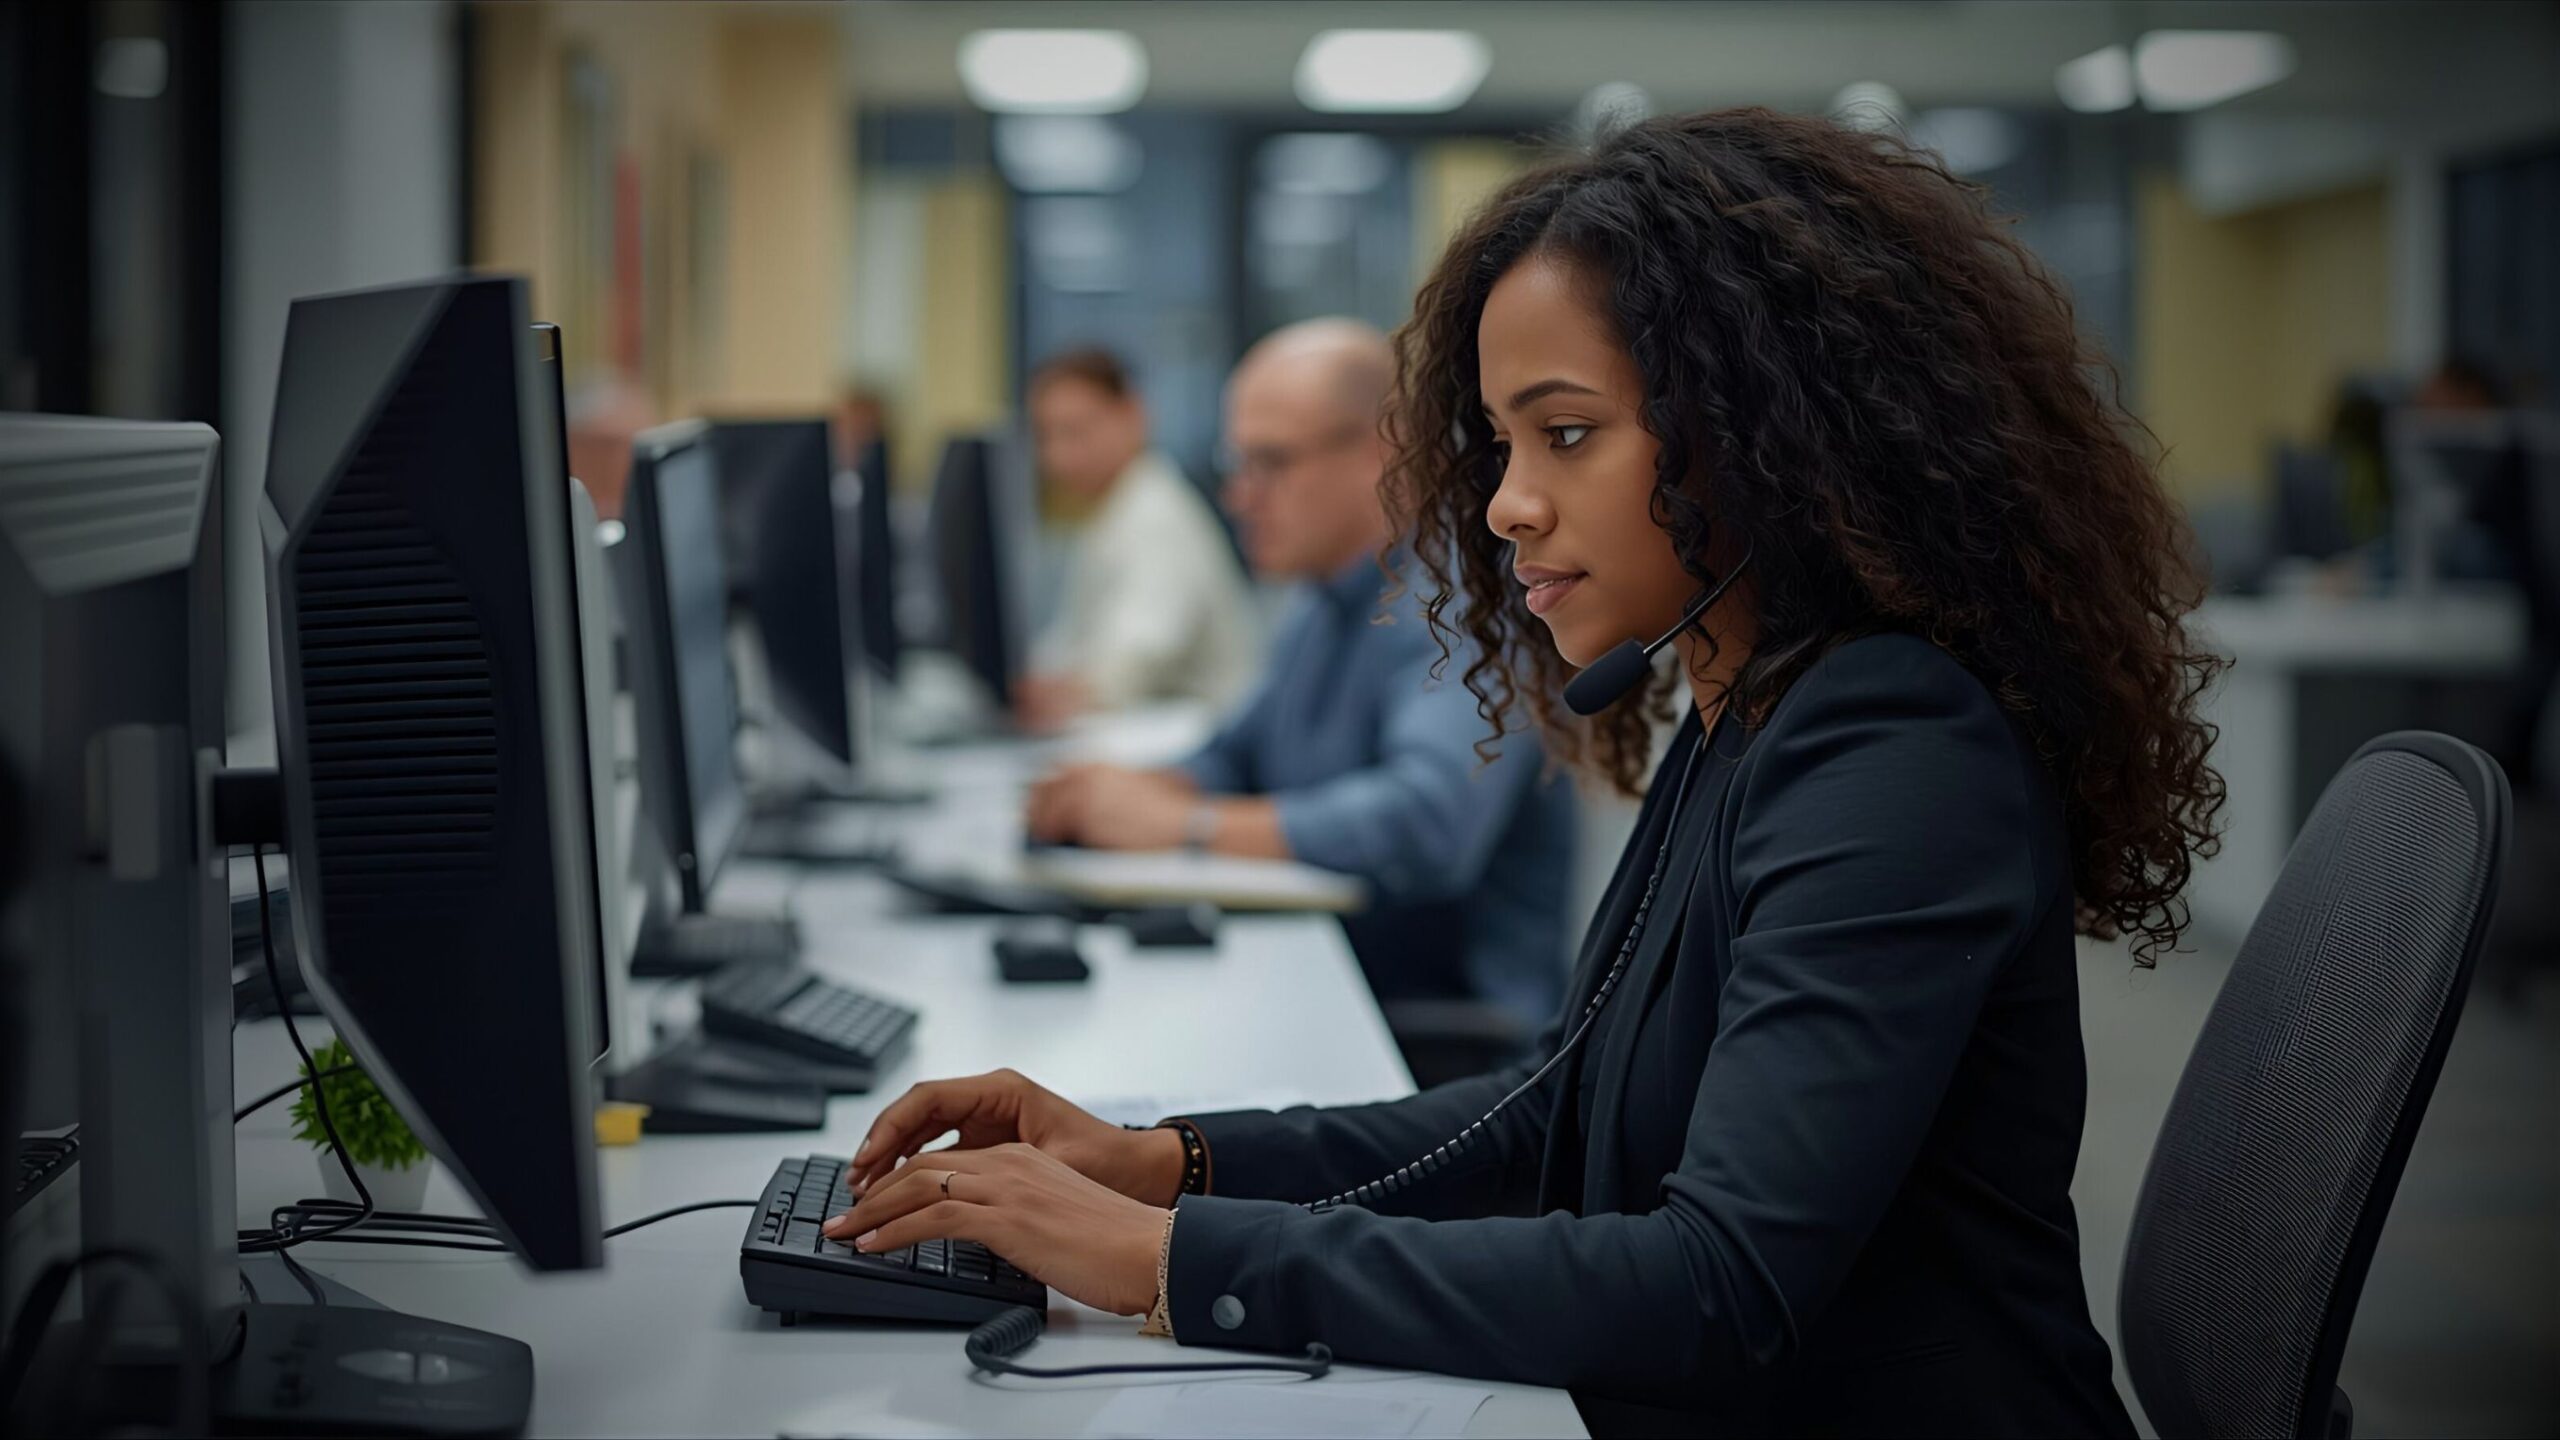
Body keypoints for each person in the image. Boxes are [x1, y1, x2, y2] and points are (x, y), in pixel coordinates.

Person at [826, 109, 2225, 1435]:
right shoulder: (1753, 707)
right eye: (1501, 444)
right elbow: (1555, 1110)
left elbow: (1716, 1287)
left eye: (1566, 434)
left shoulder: (1892, 751)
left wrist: (1170, 1261)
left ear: (1762, 429)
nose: (1505, 504)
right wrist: (1166, 1161)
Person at [1025, 319, 1575, 1032]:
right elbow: (1238, 754)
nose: (1240, 496)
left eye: (1271, 462)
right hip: (1331, 991)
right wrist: (1117, 795)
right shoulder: (1323, 600)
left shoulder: (1465, 603)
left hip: (1439, 1044)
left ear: (1386, 453)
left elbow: (1427, 822)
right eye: (1236, 465)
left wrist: (1184, 825)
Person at [1013, 347, 1259, 729]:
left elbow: (1142, 655)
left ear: (1134, 416)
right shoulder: (1112, 512)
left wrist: (1068, 691)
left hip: (1194, 733)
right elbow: (1071, 642)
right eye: (1046, 436)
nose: (1058, 456)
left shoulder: (1155, 514)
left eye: (1076, 432)